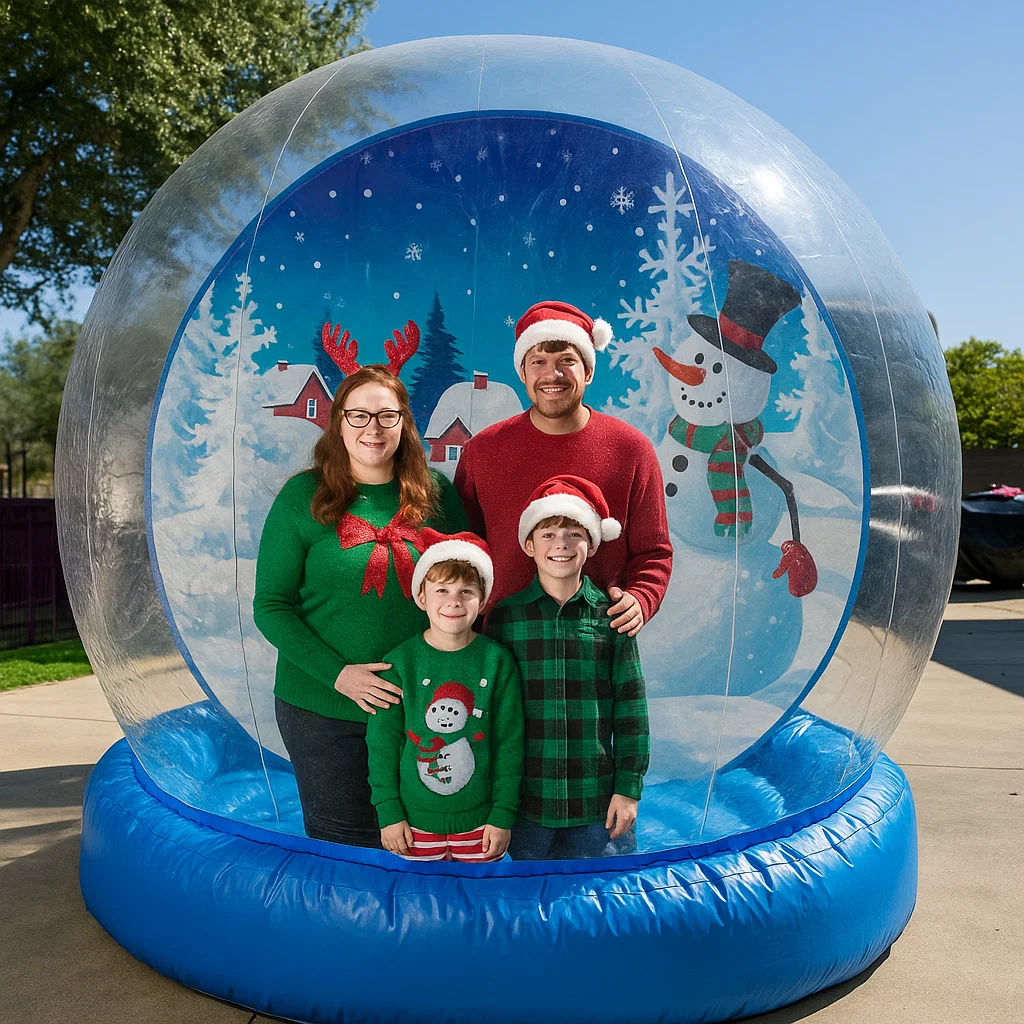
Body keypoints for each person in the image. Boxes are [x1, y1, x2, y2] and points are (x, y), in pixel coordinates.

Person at [253, 364, 467, 848]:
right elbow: (271, 607)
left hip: (419, 707)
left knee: (424, 844)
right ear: (339, 422)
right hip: (323, 709)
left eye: (387, 415)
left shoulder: (437, 494)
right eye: (359, 415)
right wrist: (339, 675)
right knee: (344, 849)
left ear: (405, 423)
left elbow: (468, 588)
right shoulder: (302, 498)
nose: (373, 428)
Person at [454, 299, 673, 637]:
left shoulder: (631, 450)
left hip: (596, 642)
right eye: (538, 361)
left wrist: (642, 597)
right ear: (522, 372)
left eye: (566, 361)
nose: (551, 375)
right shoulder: (482, 451)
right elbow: (460, 547)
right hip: (499, 642)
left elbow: (653, 552)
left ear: (588, 371)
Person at [486, 476, 649, 861]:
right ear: (529, 544)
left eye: (574, 534)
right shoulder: (505, 619)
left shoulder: (612, 617)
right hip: (526, 806)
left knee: (602, 893)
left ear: (591, 544)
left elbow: (631, 709)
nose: (561, 544)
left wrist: (628, 789)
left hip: (596, 804)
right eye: (548, 534)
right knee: (530, 894)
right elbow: (491, 715)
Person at [366, 531, 523, 862]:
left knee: (478, 894)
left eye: (467, 591)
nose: (454, 601)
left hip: (481, 825)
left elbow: (509, 743)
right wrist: (388, 811)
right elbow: (383, 745)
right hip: (412, 825)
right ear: (422, 597)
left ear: (483, 601)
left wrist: (502, 814)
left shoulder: (497, 661)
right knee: (418, 894)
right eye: (442, 590)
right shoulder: (399, 664)